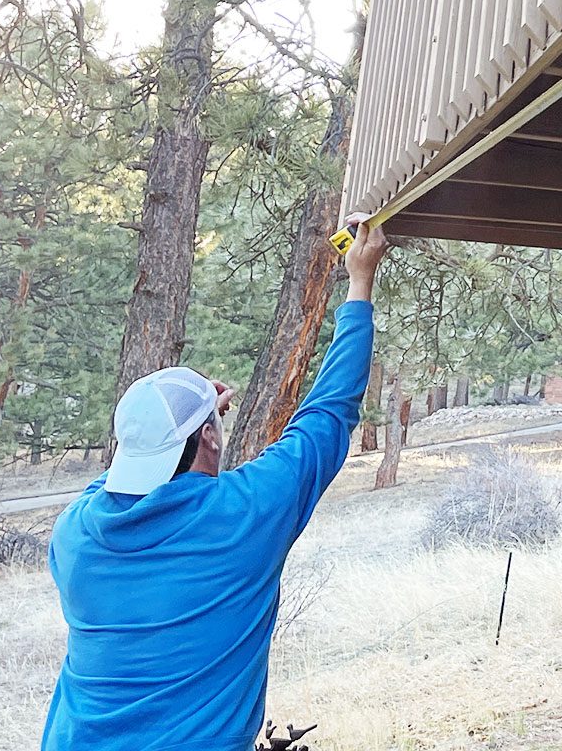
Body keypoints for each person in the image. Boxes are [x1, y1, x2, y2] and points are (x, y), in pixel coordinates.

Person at [40, 217, 387, 750]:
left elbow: (117, 481)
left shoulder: (74, 535)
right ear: (210, 439)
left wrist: (191, 425)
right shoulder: (242, 518)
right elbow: (328, 414)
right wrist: (358, 284)